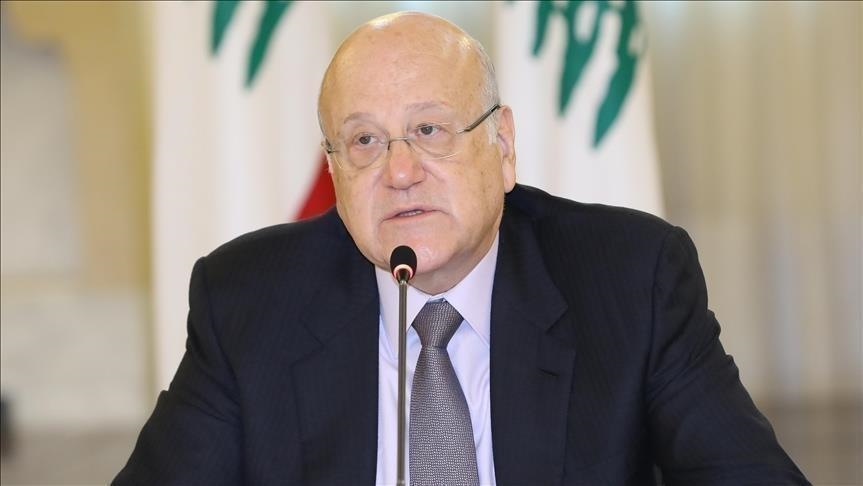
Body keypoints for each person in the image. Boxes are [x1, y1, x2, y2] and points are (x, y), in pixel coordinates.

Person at [115, 11, 808, 485]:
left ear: (502, 147)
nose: (399, 171)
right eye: (364, 141)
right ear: (334, 172)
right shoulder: (248, 301)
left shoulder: (629, 279)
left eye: (429, 130)